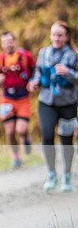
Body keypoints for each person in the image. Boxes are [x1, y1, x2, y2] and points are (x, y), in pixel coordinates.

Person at [27, 20, 78, 192]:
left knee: (66, 141)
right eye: (54, 34)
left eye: (60, 35)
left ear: (67, 37)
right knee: (47, 136)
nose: (56, 38)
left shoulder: (73, 55)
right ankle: (51, 174)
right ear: (50, 35)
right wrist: (34, 82)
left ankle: (67, 176)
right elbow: (38, 73)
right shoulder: (44, 53)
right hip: (46, 102)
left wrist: (68, 72)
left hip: (68, 104)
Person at [0, 31, 35, 169]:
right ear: (2, 44)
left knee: (21, 129)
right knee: (10, 131)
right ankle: (16, 158)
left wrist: (33, 82)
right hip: (7, 98)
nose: (8, 44)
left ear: (15, 42)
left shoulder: (26, 56)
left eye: (10, 41)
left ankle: (25, 137)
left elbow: (36, 72)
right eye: (4, 42)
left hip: (23, 97)